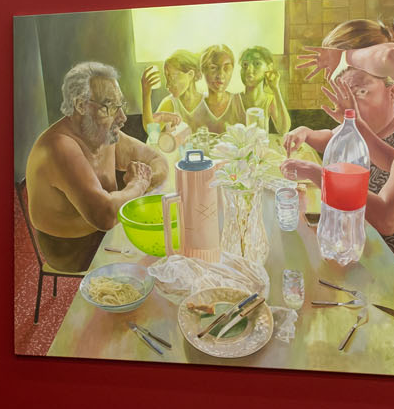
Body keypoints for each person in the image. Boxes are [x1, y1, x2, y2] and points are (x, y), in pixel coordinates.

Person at [281, 70, 394, 285]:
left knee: (295, 260)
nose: (351, 103)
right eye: (346, 95)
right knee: (292, 239)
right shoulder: (373, 128)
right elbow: (331, 137)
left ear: (392, 92)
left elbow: (387, 219)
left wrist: (318, 175)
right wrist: (306, 131)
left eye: (361, 92)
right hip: (365, 238)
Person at [25, 62, 171, 273]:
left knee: (171, 245)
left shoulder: (102, 132)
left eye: (120, 106)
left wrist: (136, 186)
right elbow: (105, 216)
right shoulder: (58, 147)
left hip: (108, 233)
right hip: (73, 251)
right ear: (81, 106)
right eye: (110, 107)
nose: (122, 118)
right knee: (158, 257)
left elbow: (158, 161)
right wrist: (137, 185)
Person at [295, 17, 394, 171]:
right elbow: (335, 136)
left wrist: (345, 56)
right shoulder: (375, 104)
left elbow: (393, 57)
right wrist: (306, 133)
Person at [140, 49, 203, 149]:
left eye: (172, 77)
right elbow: (152, 133)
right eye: (166, 78)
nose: (167, 85)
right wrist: (146, 95)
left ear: (190, 75)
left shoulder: (207, 102)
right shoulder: (170, 103)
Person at [238, 46, 292, 135]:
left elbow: (283, 130)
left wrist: (275, 89)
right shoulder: (235, 99)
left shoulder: (269, 100)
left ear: (269, 68)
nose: (249, 69)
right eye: (245, 64)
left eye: (257, 63)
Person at [194, 45, 241, 134]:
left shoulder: (240, 102)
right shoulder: (194, 105)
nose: (220, 75)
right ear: (203, 70)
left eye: (226, 68)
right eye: (213, 68)